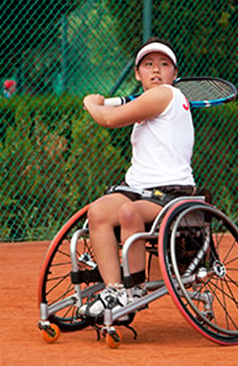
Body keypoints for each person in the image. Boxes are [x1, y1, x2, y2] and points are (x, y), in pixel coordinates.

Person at [78, 37, 197, 318]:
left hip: (172, 193)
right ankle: (115, 291)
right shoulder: (148, 103)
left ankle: (134, 290)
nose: (156, 70)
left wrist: (91, 103)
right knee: (97, 213)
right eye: (148, 64)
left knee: (129, 212)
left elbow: (108, 119)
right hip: (136, 188)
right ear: (137, 74)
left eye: (164, 64)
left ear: (174, 74)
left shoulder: (166, 95)